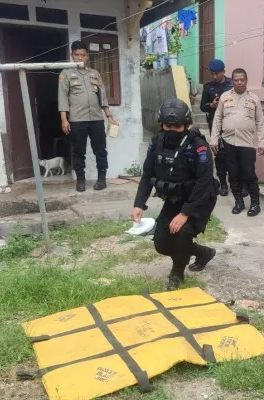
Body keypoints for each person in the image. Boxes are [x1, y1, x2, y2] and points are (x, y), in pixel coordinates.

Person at [130, 98, 218, 290]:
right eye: (168, 125)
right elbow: (147, 175)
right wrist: (139, 204)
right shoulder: (157, 143)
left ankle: (177, 273)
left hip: (199, 200)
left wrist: (185, 213)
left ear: (186, 125)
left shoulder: (198, 146)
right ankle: (203, 253)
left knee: (180, 235)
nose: (171, 129)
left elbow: (203, 183)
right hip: (174, 199)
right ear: (161, 124)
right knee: (161, 243)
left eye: (176, 126)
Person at [59, 40, 118, 192]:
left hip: (97, 119)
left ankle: (101, 179)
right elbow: (63, 98)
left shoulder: (95, 74)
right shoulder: (65, 74)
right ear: (72, 56)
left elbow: (102, 95)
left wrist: (109, 116)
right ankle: (80, 181)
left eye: (82, 55)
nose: (80, 58)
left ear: (87, 56)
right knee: (79, 152)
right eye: (77, 55)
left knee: (100, 150)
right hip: (77, 120)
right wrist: (64, 120)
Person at [210, 68, 264, 217]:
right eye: (236, 80)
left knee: (249, 174)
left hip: (247, 143)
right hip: (228, 142)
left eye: (242, 79)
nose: (240, 82)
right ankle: (239, 202)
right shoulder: (224, 97)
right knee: (233, 175)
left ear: (246, 80)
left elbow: (260, 121)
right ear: (233, 81)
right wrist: (214, 138)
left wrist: (262, 142)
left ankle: (255, 203)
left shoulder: (254, 99)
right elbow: (217, 119)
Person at [200, 59, 234, 196]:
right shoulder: (208, 87)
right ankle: (223, 184)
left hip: (231, 124)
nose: (214, 77)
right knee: (219, 155)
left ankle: (236, 183)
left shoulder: (232, 84)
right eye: (212, 74)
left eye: (217, 74)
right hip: (215, 125)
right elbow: (202, 106)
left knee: (233, 155)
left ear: (223, 72)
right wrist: (211, 105)